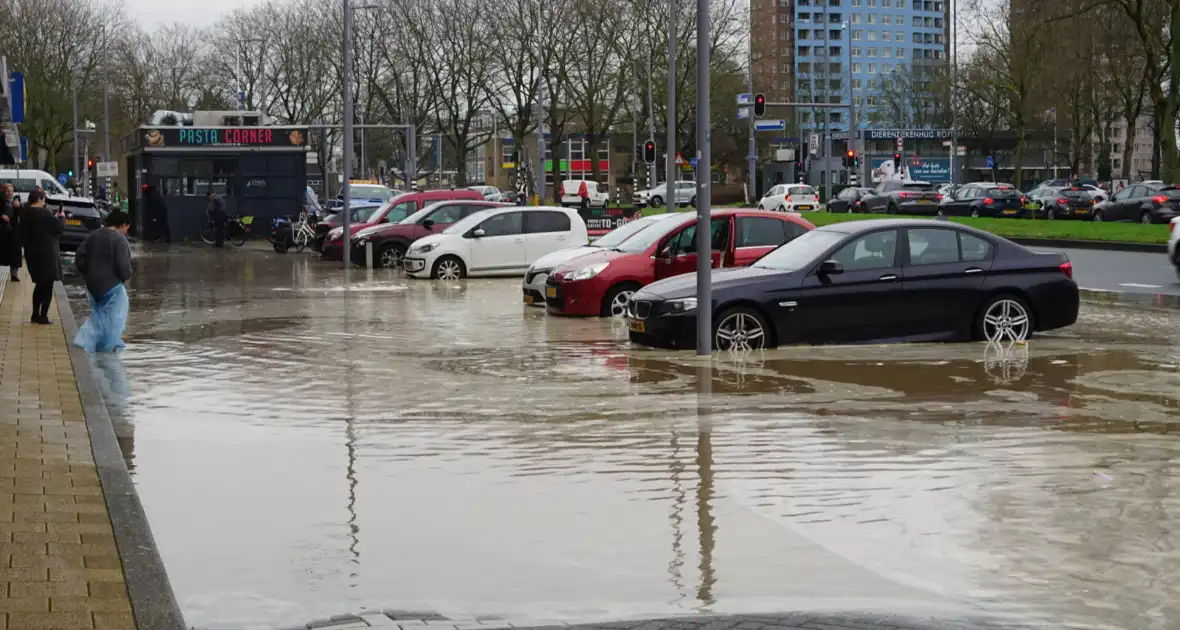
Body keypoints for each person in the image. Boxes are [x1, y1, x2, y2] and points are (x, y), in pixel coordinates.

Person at [73, 211, 133, 353]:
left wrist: (87, 272)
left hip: (92, 286)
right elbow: (124, 266)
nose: (126, 232)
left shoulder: (94, 235)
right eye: (127, 228)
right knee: (114, 319)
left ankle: (99, 347)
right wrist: (125, 276)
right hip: (111, 286)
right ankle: (103, 349)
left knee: (101, 315)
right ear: (123, 225)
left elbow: (79, 255)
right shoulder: (119, 239)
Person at [20, 189, 63, 325]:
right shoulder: (43, 213)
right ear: (39, 199)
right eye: (44, 199)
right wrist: (61, 217)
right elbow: (59, 228)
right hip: (46, 255)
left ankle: (34, 314)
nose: (44, 202)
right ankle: (43, 315)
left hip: (31, 254)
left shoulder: (25, 212)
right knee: (47, 285)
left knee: (39, 284)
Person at [1, 184, 21, 282]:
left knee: (15, 254)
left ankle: (14, 274)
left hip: (13, 232)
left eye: (11, 191)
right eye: (7, 191)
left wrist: (19, 206)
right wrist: (1, 216)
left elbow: (21, 214)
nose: (9, 193)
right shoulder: (1, 202)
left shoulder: (15, 202)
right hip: (3, 231)